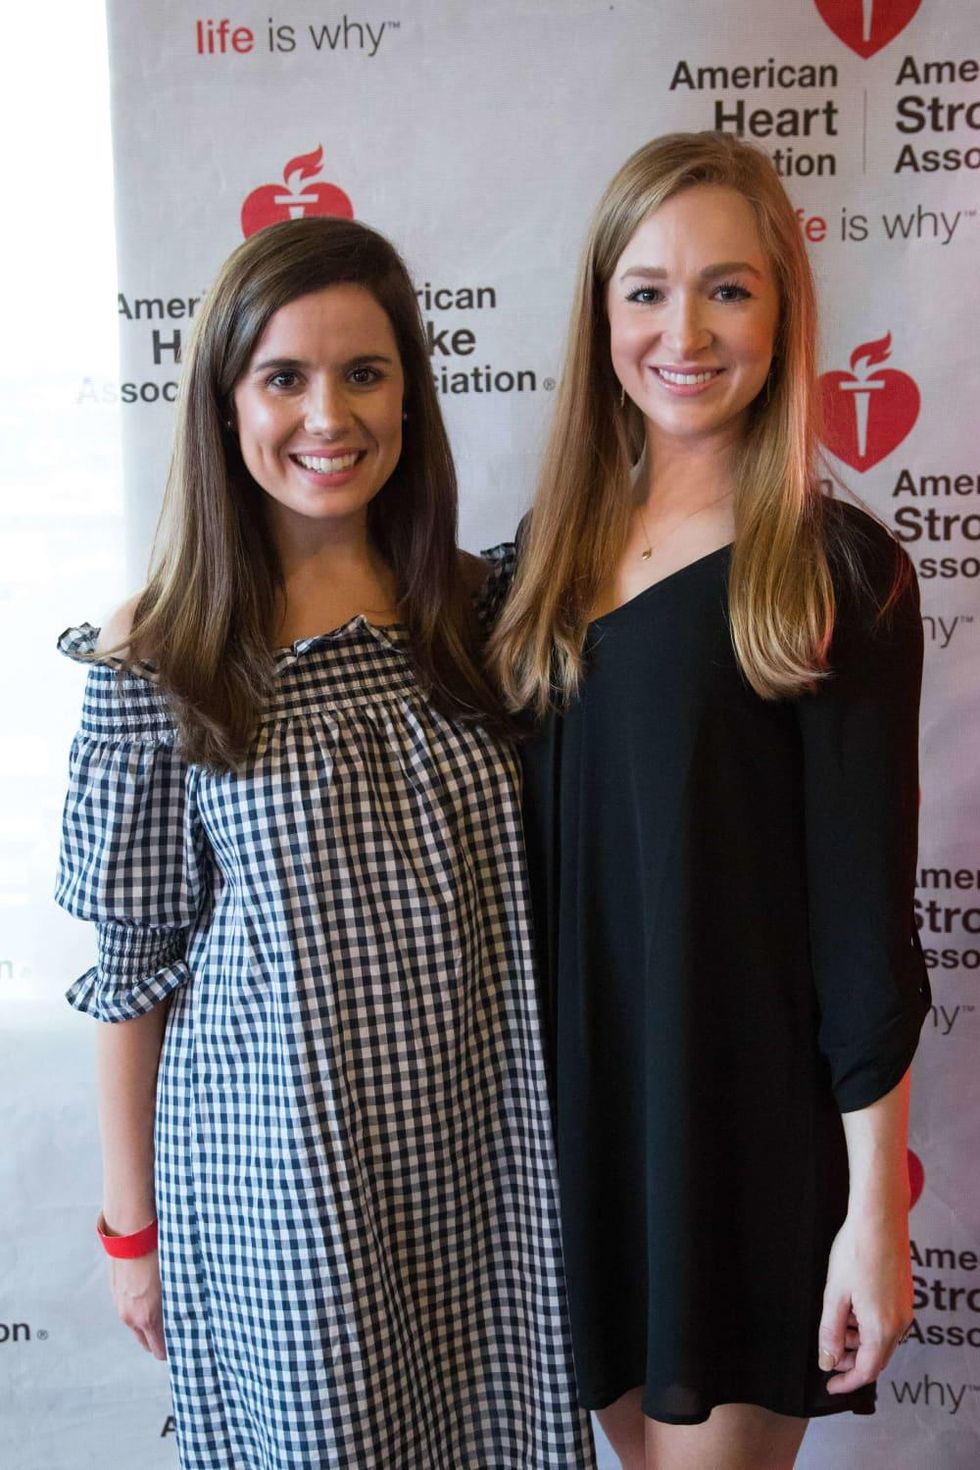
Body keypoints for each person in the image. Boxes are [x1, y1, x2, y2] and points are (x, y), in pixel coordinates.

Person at [55, 216, 594, 1470]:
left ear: (409, 390)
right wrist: (130, 1227)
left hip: (486, 1163)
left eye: (364, 371)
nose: (327, 415)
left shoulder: (481, 612)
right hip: (277, 1187)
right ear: (225, 404)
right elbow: (133, 971)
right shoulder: (161, 654)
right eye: (283, 377)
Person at [486, 132, 930, 1470]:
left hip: (735, 1147)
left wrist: (876, 1217)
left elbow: (864, 931)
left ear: (785, 310)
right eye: (647, 290)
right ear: (600, 313)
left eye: (729, 289)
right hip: (573, 1139)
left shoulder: (833, 572)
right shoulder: (529, 571)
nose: (685, 329)